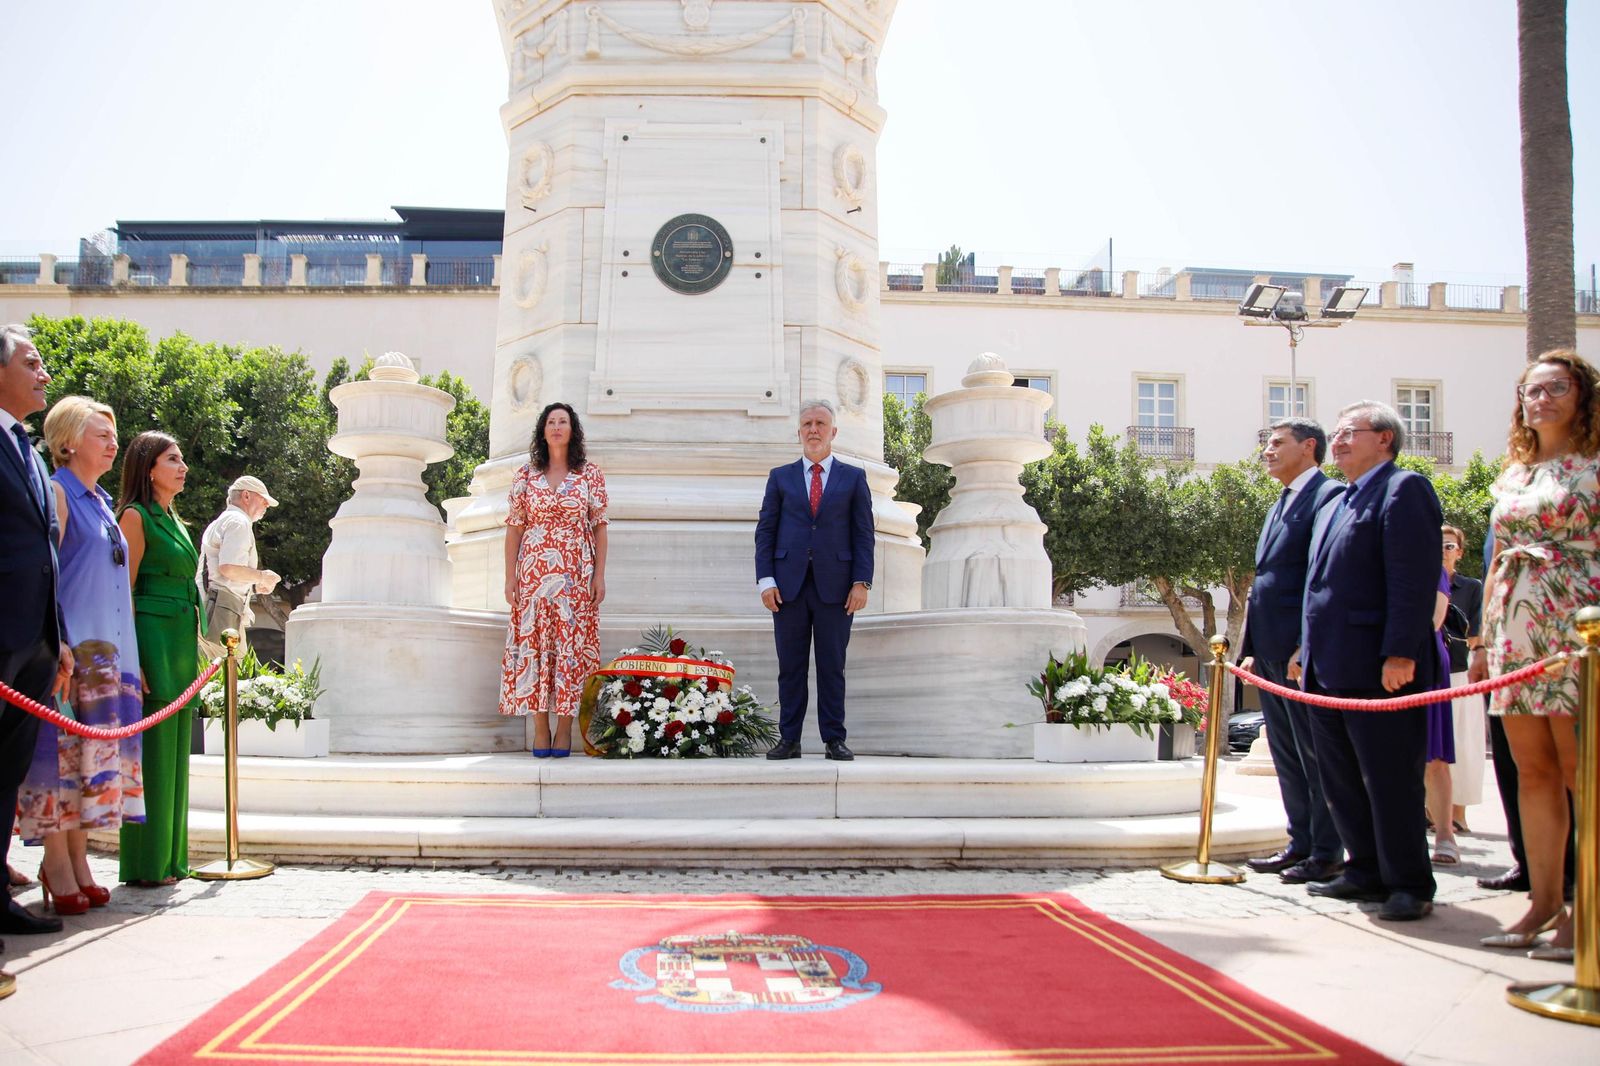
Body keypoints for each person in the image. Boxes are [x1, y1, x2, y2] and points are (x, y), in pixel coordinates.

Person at [1295, 399, 1443, 922]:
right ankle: (1365, 871)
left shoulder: (1405, 489)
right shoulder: (1336, 502)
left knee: (1390, 779)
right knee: (1341, 778)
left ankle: (1408, 882)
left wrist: (1400, 651)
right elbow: (1319, 587)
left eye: (1348, 432)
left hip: (1380, 668)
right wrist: (1304, 651)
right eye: (1335, 433)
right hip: (1326, 668)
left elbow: (1411, 578)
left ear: (1385, 438)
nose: (1337, 441)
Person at [1479, 349, 1600, 960]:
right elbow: (1497, 552)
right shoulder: (1515, 472)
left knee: (1585, 774)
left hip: (1581, 625)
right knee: (1534, 770)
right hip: (1515, 630)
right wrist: (1481, 642)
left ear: (1582, 396)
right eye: (1531, 390)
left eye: (1555, 388)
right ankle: (1544, 902)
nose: (1541, 400)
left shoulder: (1596, 465)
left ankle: (1588, 912)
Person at [17, 397, 146, 914]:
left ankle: (78, 860)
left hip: (110, 655)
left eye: (113, 436)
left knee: (88, 762)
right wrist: (57, 643)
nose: (112, 443)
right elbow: (45, 577)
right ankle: (57, 862)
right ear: (68, 441)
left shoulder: (97, 501)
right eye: (101, 435)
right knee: (62, 758)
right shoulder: (57, 493)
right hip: (73, 653)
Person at [1238, 418, 1345, 883]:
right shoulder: (1280, 503)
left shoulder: (1328, 498)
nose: (1267, 450)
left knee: (1315, 754)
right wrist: (1251, 648)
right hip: (1271, 651)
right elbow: (1264, 582)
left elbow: (1321, 579)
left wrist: (1309, 643)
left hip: (1302, 652)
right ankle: (1299, 842)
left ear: (1309, 447)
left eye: (1277, 443)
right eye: (1266, 443)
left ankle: (1326, 851)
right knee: (1286, 753)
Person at [0, 324, 69, 994]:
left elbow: (46, 553)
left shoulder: (24, 448)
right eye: (32, 363)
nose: (44, 374)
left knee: (4, 777)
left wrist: (60, 638)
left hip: (33, 643)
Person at [755, 399, 874, 761]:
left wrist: (861, 582)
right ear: (799, 432)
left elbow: (863, 534)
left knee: (831, 667)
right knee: (790, 667)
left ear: (833, 431)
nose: (813, 429)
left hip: (836, 589)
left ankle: (834, 739)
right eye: (807, 423)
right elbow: (766, 531)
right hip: (786, 588)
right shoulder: (780, 477)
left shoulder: (853, 478)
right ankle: (789, 739)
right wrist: (765, 580)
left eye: (821, 423)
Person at [116, 430, 203, 886]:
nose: (183, 466)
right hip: (150, 631)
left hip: (180, 633)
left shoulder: (176, 520)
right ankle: (147, 862)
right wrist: (134, 657)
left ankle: (172, 859)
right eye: (173, 459)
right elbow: (123, 590)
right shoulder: (135, 516)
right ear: (149, 468)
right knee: (152, 747)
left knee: (176, 748)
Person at [499, 402, 608, 756]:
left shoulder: (590, 475)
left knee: (570, 649)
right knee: (535, 648)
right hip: (533, 575)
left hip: (576, 575)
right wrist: (509, 578)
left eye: (563, 422)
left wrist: (599, 576)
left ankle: (564, 730)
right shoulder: (525, 476)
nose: (557, 427)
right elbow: (514, 529)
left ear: (572, 430)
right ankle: (540, 728)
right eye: (551, 422)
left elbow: (600, 527)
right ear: (542, 431)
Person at [1439, 525, 1485, 834]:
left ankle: (1458, 813)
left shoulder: (1471, 587)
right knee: (1435, 747)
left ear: (1460, 552)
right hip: (1430, 674)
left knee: (1465, 745)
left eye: (1450, 546)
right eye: (1439, 545)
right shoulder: (1421, 583)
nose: (1444, 550)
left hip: (1460, 673)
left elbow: (1477, 629)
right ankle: (1433, 812)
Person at [200, 475, 280, 651]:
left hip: (217, 603)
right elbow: (228, 568)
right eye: (263, 499)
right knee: (227, 671)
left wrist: (254, 588)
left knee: (224, 669)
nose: (267, 505)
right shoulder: (239, 521)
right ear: (246, 496)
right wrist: (262, 577)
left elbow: (221, 573)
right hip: (222, 606)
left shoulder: (224, 520)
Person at [1421, 562, 1458, 865]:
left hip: (1423, 660)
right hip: (1377, 661)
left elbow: (1436, 616)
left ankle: (1445, 835)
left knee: (1434, 758)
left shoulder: (1432, 567)